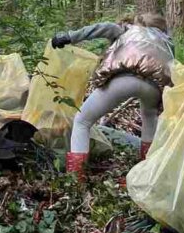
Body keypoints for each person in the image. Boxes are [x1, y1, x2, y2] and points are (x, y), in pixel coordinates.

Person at [51, 13, 174, 181]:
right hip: (154, 87)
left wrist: (69, 36)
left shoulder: (128, 29)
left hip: (125, 77)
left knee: (82, 121)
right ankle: (148, 175)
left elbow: (104, 28)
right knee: (149, 115)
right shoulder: (165, 42)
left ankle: (75, 179)